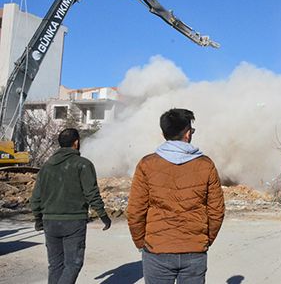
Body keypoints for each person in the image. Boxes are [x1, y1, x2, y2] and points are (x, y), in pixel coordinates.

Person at [127, 108, 225, 284]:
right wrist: (203, 240)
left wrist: (142, 242)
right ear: (187, 134)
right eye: (192, 131)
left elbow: (135, 211)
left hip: (157, 249)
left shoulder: (146, 164)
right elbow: (216, 210)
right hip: (194, 250)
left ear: (163, 133)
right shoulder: (206, 164)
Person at [30, 128, 111, 284]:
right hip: (73, 222)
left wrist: (38, 219)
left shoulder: (46, 167)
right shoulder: (83, 164)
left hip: (50, 221)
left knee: (55, 266)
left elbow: (36, 197)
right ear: (76, 143)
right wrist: (103, 216)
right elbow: (91, 193)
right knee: (73, 264)